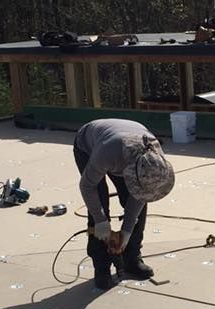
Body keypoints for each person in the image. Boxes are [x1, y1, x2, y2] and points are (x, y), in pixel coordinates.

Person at [73, 119, 176, 289]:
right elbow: (87, 186)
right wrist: (100, 220)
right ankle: (102, 269)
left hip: (125, 147)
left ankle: (131, 258)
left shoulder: (156, 159)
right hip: (89, 145)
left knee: (138, 203)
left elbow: (141, 195)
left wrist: (127, 231)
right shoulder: (108, 153)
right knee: (98, 201)